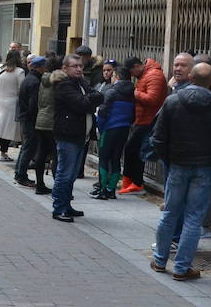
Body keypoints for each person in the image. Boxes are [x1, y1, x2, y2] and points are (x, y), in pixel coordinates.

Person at [148, 64, 211, 279]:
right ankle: (181, 267)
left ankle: (160, 259)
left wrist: (169, 159)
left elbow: (158, 137)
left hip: (178, 164)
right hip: (204, 167)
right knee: (194, 218)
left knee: (169, 213)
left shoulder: (173, 101)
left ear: (190, 77)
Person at [51, 55, 104, 222]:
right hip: (68, 135)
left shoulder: (80, 83)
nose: (79, 69)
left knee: (72, 174)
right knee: (65, 173)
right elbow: (81, 104)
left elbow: (98, 96)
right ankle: (59, 208)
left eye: (80, 66)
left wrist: (90, 99)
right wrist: (91, 100)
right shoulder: (64, 86)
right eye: (74, 66)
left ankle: (66, 204)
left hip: (81, 135)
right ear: (65, 69)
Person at [119, 56, 168, 195]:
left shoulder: (154, 75)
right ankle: (131, 180)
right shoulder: (147, 75)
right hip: (143, 119)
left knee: (135, 150)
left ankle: (135, 181)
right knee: (132, 150)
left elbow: (152, 99)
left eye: (132, 72)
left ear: (136, 66)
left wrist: (136, 93)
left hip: (149, 119)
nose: (133, 76)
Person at [94, 61, 135, 201]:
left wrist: (100, 127)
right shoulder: (132, 93)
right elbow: (133, 115)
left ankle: (103, 189)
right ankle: (111, 190)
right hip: (124, 130)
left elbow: (103, 113)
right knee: (116, 159)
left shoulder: (112, 91)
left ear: (116, 77)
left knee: (104, 158)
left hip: (109, 129)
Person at [14, 56, 46, 187]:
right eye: (44, 66)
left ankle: (19, 173)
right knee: (28, 148)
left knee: (26, 147)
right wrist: (35, 117)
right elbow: (33, 104)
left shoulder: (29, 78)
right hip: (29, 119)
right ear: (39, 67)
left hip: (25, 117)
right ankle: (21, 175)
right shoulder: (34, 82)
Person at [33, 55, 62, 196]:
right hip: (52, 122)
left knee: (41, 153)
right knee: (56, 155)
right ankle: (58, 187)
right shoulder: (58, 81)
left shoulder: (43, 80)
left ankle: (39, 184)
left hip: (41, 120)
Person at [0, 50, 25, 159]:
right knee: (7, 129)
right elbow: (22, 88)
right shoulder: (20, 71)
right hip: (11, 102)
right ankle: (3, 153)